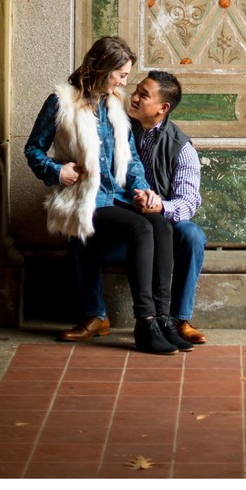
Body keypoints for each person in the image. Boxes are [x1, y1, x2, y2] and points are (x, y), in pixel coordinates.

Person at [24, 36, 192, 354]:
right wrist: (56, 171)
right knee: (140, 227)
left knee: (160, 224)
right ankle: (144, 322)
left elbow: (131, 160)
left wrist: (142, 189)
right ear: (104, 69)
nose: (125, 82)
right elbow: (32, 148)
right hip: (85, 199)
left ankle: (163, 319)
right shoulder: (60, 101)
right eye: (122, 75)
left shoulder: (113, 107)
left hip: (119, 197)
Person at [129, 69, 208, 344]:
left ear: (163, 108)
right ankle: (95, 315)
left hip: (163, 220)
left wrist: (158, 206)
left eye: (143, 94)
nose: (135, 97)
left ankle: (178, 320)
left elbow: (187, 204)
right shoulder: (120, 128)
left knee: (193, 234)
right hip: (124, 214)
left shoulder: (182, 148)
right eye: (136, 90)